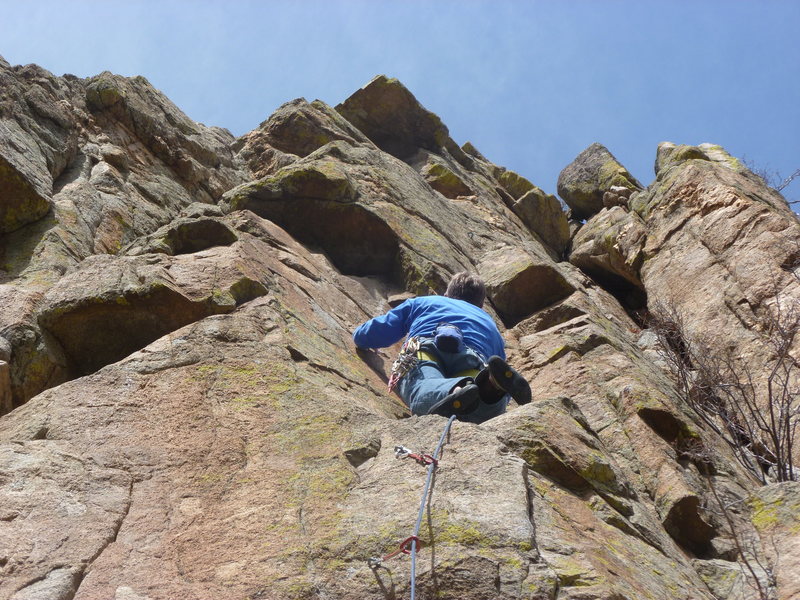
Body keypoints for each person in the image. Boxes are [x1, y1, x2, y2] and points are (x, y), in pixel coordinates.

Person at [353, 272, 531, 423]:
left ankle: (454, 391)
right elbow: (498, 361)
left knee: (423, 386)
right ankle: (492, 387)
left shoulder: (425, 302)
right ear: (480, 305)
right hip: (473, 359)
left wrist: (359, 336)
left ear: (447, 294)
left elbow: (380, 330)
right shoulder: (490, 325)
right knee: (483, 406)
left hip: (425, 349)